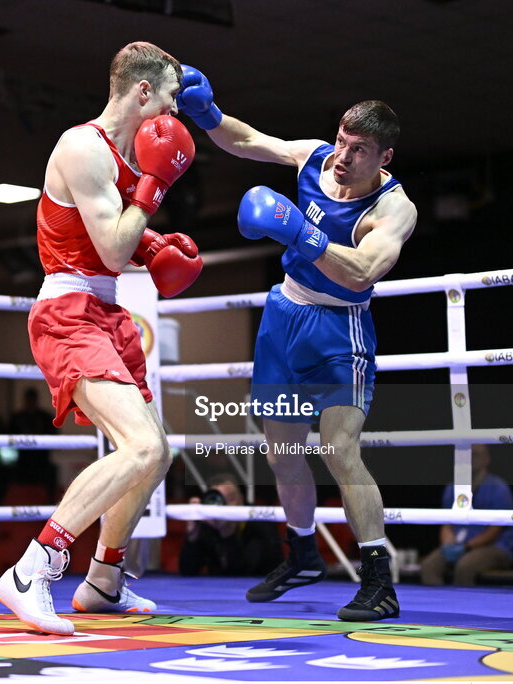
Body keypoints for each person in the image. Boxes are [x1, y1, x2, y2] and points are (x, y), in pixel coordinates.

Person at [176, 68, 417, 621]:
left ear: (385, 157)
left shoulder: (393, 209)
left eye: (359, 150)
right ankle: (303, 553)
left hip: (339, 327)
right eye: (341, 140)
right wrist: (207, 114)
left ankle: (378, 579)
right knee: (283, 451)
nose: (343, 155)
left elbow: (362, 273)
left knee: (339, 448)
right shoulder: (314, 157)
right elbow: (249, 140)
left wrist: (301, 233)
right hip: (284, 317)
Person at [0, 41, 200, 636]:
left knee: (154, 453)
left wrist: (157, 247)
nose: (173, 111)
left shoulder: (130, 156)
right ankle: (34, 569)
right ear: (143, 92)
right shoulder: (82, 146)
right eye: (169, 96)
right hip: (68, 312)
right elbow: (107, 246)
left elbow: (117, 247)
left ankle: (104, 580)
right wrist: (154, 187)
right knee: (140, 447)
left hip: (106, 312)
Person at [420, 444, 513, 586]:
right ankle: (441, 605)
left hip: (495, 547)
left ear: (486, 459)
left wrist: (467, 546)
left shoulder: (499, 488)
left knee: (465, 566)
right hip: (460, 545)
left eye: (475, 455)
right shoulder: (452, 487)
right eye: (466, 455)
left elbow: (495, 529)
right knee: (429, 566)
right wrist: (448, 543)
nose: (470, 459)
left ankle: (462, 607)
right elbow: (447, 523)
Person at [179, 473, 283, 577]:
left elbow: (245, 573)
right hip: (216, 589)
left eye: (229, 499)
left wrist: (228, 534)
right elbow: (187, 571)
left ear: (241, 500)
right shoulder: (208, 524)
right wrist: (192, 536)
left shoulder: (260, 523)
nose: (222, 506)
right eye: (216, 500)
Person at [8, 387, 58, 490]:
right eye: (28, 399)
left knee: (48, 477)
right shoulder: (16, 418)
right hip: (21, 461)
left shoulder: (45, 417)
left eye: (32, 399)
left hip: (41, 460)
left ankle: (48, 503)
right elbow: (8, 440)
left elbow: (54, 438)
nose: (30, 402)